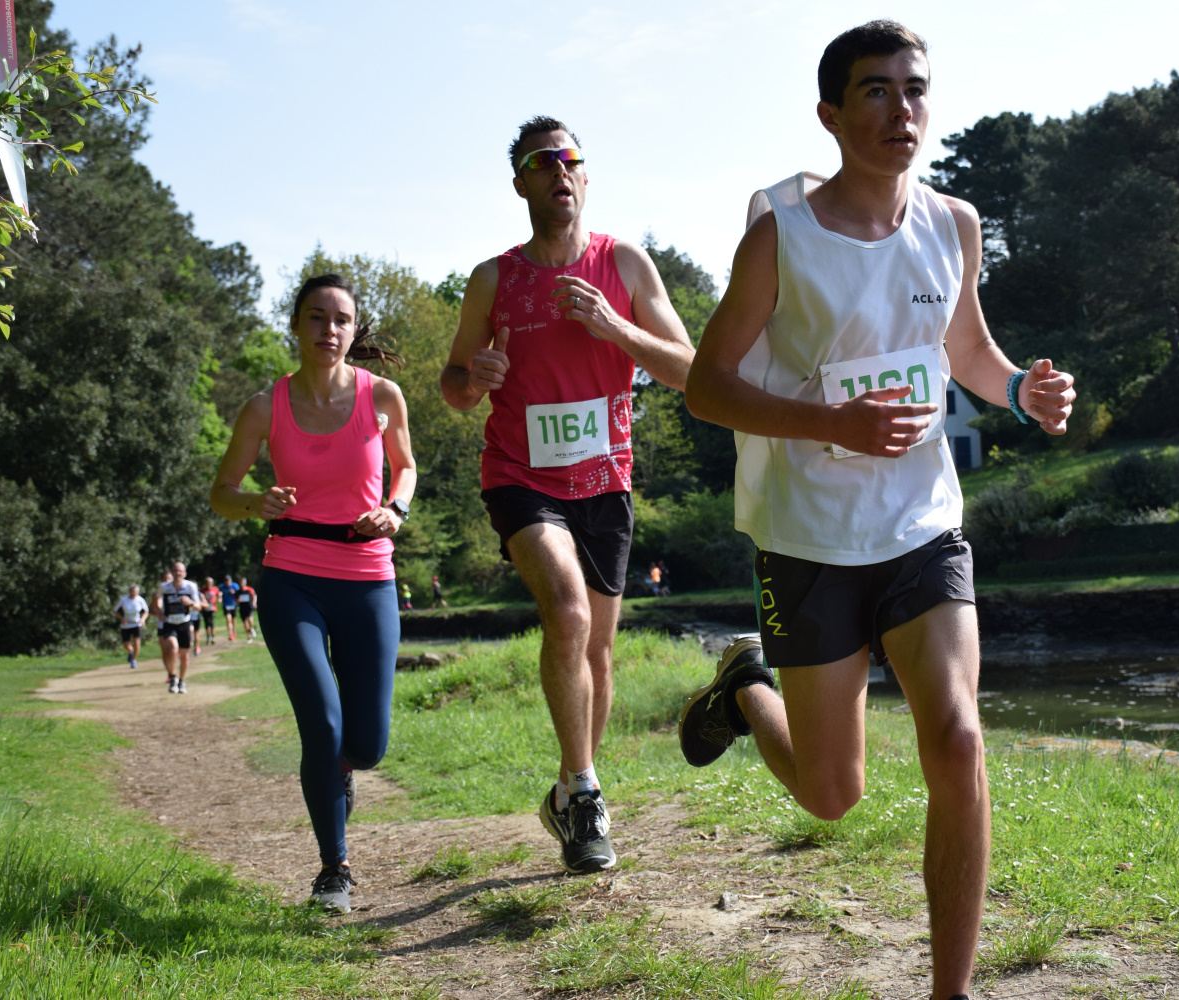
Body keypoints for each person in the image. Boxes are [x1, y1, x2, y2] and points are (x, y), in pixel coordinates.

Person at [674, 22, 1075, 1000]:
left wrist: (1019, 390)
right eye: (876, 91)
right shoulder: (782, 236)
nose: (903, 109)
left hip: (922, 525)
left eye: (915, 88)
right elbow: (707, 388)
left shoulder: (954, 223)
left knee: (959, 740)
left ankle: (950, 990)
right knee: (830, 793)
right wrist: (831, 424)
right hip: (809, 535)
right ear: (831, 114)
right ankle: (745, 688)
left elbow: (966, 350)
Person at [440, 115, 695, 874]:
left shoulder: (625, 263)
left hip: (605, 480)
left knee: (599, 653)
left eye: (570, 158)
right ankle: (586, 793)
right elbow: (454, 386)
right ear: (520, 183)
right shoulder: (493, 279)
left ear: (585, 176)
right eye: (541, 161)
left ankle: (567, 787)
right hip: (521, 475)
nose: (559, 169)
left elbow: (688, 369)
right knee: (569, 611)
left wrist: (615, 327)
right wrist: (474, 377)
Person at [210, 272, 416, 915]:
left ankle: (342, 773)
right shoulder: (264, 407)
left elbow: (406, 468)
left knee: (368, 745)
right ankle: (334, 868)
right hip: (292, 576)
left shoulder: (382, 396)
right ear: (296, 326)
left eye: (341, 319)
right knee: (321, 726)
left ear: (354, 330)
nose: (330, 329)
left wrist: (396, 509)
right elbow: (222, 494)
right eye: (317, 318)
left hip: (368, 576)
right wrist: (256, 501)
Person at [153, 563, 200, 694]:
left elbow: (198, 606)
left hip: (184, 623)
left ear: (185, 573)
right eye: (175, 570)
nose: (177, 573)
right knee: (173, 648)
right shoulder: (164, 587)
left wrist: (190, 603)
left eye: (180, 571)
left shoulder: (190, 586)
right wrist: (159, 611)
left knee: (184, 655)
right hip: (169, 623)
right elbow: (157, 599)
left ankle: (182, 681)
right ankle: (173, 676)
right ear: (171, 572)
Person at [113, 584, 149, 669]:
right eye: (132, 591)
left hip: (136, 624)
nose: (133, 593)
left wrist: (142, 619)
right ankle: (131, 652)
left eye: (135, 591)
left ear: (138, 592)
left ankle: (134, 660)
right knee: (126, 644)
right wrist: (122, 619)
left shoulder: (140, 600)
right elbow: (115, 611)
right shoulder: (123, 600)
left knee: (136, 642)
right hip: (126, 625)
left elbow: (146, 611)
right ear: (129, 591)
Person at [221, 574, 239, 642]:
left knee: (233, 619)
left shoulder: (235, 586)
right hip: (226, 605)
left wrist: (234, 593)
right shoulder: (222, 587)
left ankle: (234, 630)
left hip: (234, 604)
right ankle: (230, 634)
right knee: (228, 619)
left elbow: (238, 594)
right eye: (226, 581)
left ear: (231, 580)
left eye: (228, 581)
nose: (227, 582)